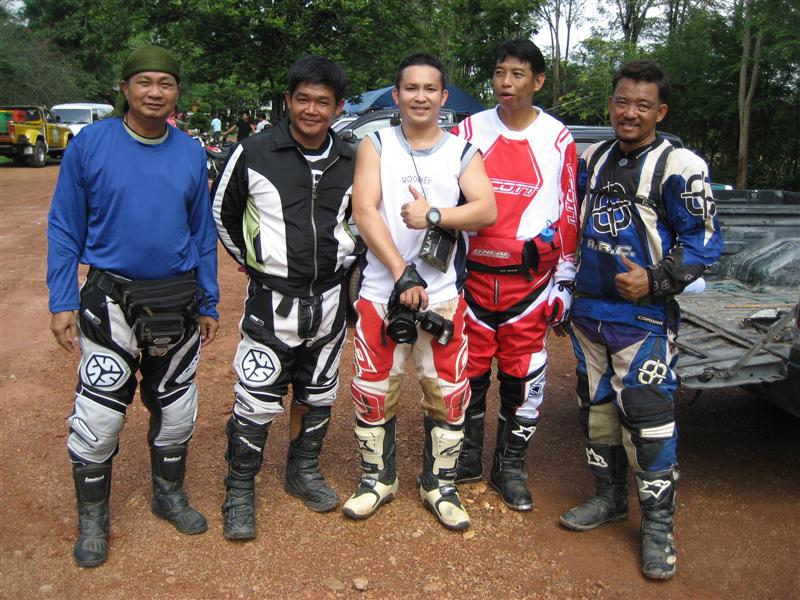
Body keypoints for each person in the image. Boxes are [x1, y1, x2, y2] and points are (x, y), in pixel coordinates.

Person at [47, 46, 220, 568]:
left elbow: (202, 232)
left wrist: (209, 299)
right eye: (144, 81)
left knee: (177, 407)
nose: (154, 92)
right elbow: (64, 224)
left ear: (177, 92)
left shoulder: (190, 152)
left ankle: (168, 495)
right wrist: (62, 299)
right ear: (125, 88)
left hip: (177, 298)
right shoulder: (91, 144)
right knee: (99, 413)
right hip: (110, 297)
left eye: (165, 83)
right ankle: (93, 517)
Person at [558, 59, 722, 579]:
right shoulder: (593, 157)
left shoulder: (680, 165)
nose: (630, 113)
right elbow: (568, 220)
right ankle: (609, 499)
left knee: (649, 418)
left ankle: (657, 527)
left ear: (661, 112)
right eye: (622, 102)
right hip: (589, 313)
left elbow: (704, 241)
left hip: (643, 318)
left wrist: (654, 280)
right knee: (596, 412)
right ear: (611, 104)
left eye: (643, 105)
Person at [342, 54, 496, 531]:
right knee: (373, 390)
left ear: (443, 97)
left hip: (443, 296)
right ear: (397, 94)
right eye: (411, 88)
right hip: (380, 292)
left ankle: (440, 484)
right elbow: (364, 210)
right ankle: (377, 479)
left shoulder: (463, 152)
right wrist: (400, 271)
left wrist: (434, 215)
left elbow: (486, 209)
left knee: (448, 393)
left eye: (430, 89)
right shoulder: (375, 144)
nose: (420, 97)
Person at [212, 55, 354, 540]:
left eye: (323, 102)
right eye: (303, 99)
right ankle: (239, 489)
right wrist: (255, 261)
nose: (312, 110)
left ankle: (303, 470)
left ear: (338, 107)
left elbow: (365, 216)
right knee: (255, 397)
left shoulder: (353, 158)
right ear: (288, 100)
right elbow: (223, 212)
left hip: (331, 301)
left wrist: (346, 257)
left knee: (318, 393)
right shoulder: (253, 151)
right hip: (272, 301)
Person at [451, 39, 578, 511]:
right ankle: (465, 458)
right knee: (467, 370)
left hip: (530, 283)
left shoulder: (558, 138)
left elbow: (569, 210)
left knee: (524, 377)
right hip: (473, 278)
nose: (506, 82)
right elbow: (446, 198)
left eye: (518, 73)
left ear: (538, 80)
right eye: (500, 72)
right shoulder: (468, 129)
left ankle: (510, 467)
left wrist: (566, 279)